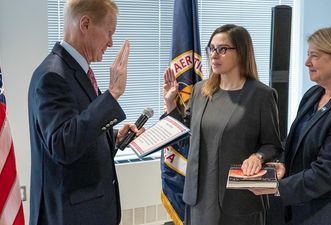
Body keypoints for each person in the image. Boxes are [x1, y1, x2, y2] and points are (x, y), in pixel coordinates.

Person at [27, 0, 143, 224]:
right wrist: (112, 95)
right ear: (86, 24)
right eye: (109, 33)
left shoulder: (77, 70)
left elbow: (79, 126)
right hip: (70, 216)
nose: (110, 43)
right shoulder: (52, 75)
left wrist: (114, 136)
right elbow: (63, 144)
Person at [251, 26, 331, 225]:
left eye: (314, 56)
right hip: (305, 211)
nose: (307, 62)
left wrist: (276, 187)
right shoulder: (313, 95)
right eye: (307, 54)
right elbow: (297, 144)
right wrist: (282, 165)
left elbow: (325, 173)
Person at [163, 24, 283, 225]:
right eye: (211, 48)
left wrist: (258, 156)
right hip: (199, 198)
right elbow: (185, 137)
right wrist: (170, 103)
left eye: (223, 49)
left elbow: (273, 145)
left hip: (239, 199)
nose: (214, 55)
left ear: (241, 52)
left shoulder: (262, 95)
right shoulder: (201, 90)